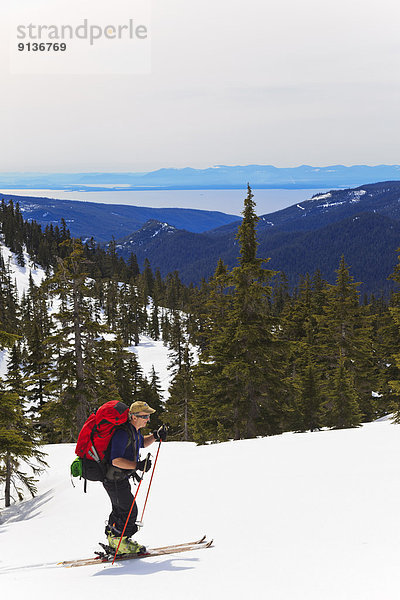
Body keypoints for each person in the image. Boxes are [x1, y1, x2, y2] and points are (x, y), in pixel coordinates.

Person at [103, 400, 168, 554]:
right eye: (145, 416)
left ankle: (116, 540)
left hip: (119, 479)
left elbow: (141, 443)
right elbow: (115, 460)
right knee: (129, 511)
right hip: (114, 479)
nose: (148, 419)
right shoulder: (121, 433)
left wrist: (155, 436)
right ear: (134, 417)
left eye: (148, 416)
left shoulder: (134, 431)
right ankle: (120, 543)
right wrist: (137, 466)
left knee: (121, 510)